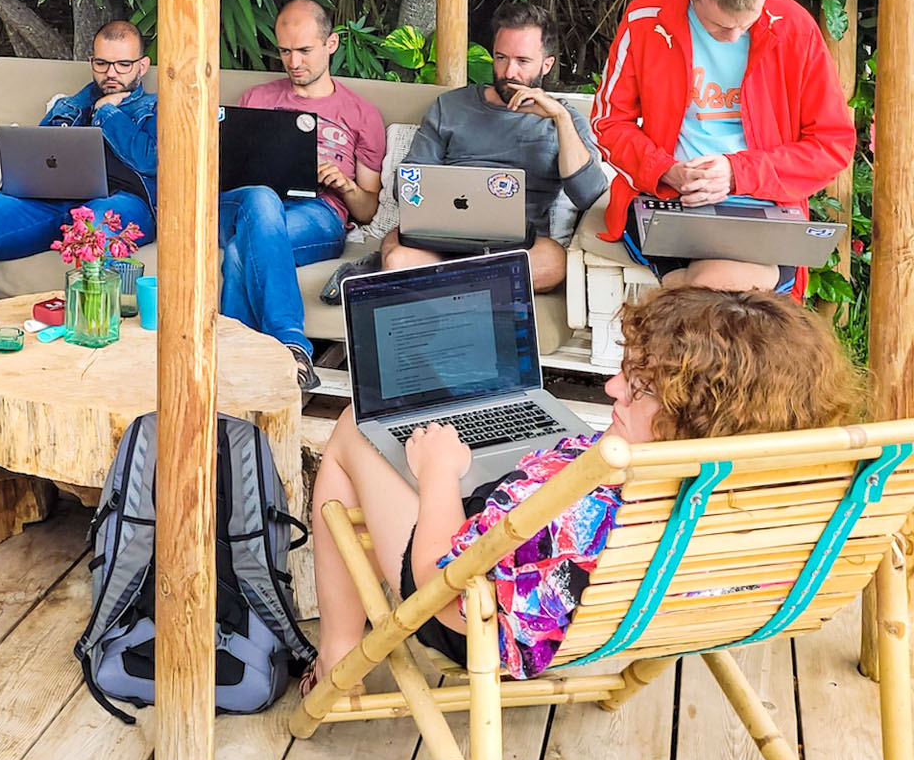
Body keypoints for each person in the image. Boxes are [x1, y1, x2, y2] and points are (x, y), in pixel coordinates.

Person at [306, 286, 860, 686]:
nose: (613, 386)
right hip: (622, 616)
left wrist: (438, 476)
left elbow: (441, 589)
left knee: (357, 425)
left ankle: (339, 655)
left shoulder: (585, 513)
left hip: (469, 614)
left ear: (699, 417)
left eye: (640, 387)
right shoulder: (776, 489)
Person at [592, 0, 856, 294]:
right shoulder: (647, 17)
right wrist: (665, 170)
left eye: (747, 25)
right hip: (669, 198)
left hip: (767, 202)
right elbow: (609, 122)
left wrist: (736, 173)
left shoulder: (794, 27)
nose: (735, 37)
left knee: (715, 286)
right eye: (719, 26)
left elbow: (833, 144)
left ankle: (674, 300)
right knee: (727, 292)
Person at [379, 3, 605, 293]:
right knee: (398, 258)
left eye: (523, 61)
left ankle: (438, 285)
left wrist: (560, 119)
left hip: (514, 246)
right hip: (442, 237)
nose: (509, 71)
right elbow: (406, 188)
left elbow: (589, 195)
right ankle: (480, 287)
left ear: (546, 65)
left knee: (553, 263)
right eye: (501, 58)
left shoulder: (565, 119)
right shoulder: (450, 106)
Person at [224, 0, 383, 392]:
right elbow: (228, 178)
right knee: (260, 198)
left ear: (331, 44)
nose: (293, 62)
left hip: (317, 214)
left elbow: (366, 211)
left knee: (238, 252)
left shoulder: (360, 114)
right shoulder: (256, 100)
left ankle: (233, 358)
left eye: (304, 50)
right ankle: (291, 347)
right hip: (249, 204)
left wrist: (344, 185)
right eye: (284, 51)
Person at [0, 20, 157, 301]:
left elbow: (149, 160)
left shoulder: (154, 108)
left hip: (122, 203)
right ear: (91, 62)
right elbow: (37, 160)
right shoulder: (68, 106)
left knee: (94, 229)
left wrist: (107, 114)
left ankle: (89, 336)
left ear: (142, 65)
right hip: (54, 201)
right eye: (102, 64)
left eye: (122, 65)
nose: (111, 73)